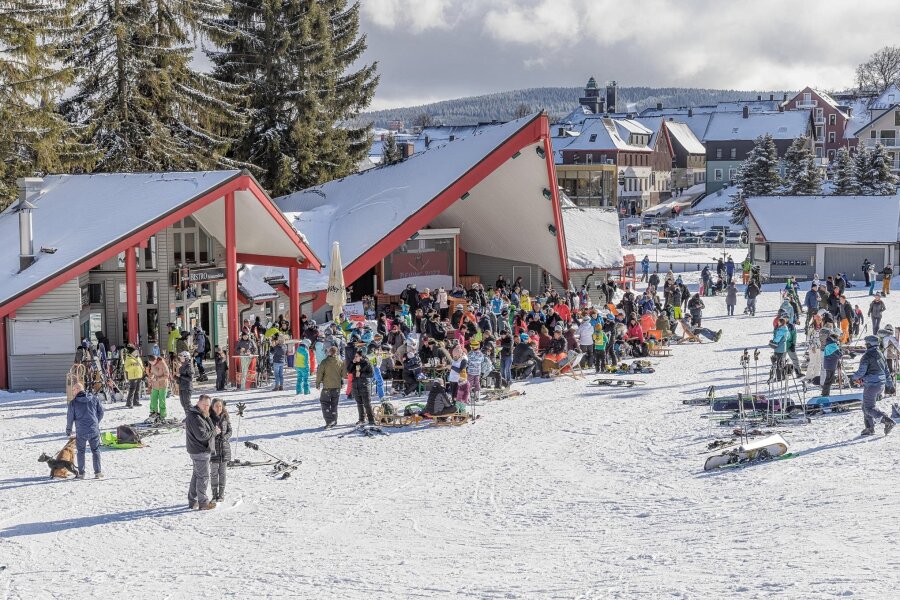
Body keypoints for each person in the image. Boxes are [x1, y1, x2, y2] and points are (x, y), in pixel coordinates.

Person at [851, 336, 896, 436]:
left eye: (866, 343)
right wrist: (890, 385)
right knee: (865, 406)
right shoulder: (880, 354)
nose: (865, 345)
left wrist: (853, 378)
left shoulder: (867, 356)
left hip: (871, 385)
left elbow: (861, 371)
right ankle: (869, 428)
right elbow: (886, 371)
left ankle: (887, 421)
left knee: (868, 408)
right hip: (880, 384)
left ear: (869, 344)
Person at [65, 383, 105, 479]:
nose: (73, 392)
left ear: (78, 389)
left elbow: (70, 418)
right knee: (95, 450)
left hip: (81, 432)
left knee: (81, 451)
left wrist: (68, 430)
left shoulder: (73, 403)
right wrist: (96, 422)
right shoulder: (94, 399)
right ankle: (98, 472)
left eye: (74, 389)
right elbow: (101, 412)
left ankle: (82, 473)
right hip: (93, 430)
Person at [186, 394, 217, 510]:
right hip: (200, 451)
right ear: (198, 402)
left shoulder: (201, 414)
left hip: (198, 450)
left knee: (197, 475)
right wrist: (214, 432)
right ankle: (203, 502)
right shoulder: (195, 417)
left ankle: (192, 500)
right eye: (204, 405)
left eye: (208, 405)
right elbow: (202, 435)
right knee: (203, 477)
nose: (206, 407)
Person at [209, 398, 232, 503]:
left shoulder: (225, 417)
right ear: (212, 407)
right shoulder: (208, 418)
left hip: (224, 448)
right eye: (216, 406)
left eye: (220, 406)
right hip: (213, 449)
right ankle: (214, 494)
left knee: (222, 473)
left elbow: (230, 430)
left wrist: (225, 437)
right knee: (214, 473)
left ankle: (221, 494)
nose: (218, 408)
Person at [316, 346, 343, 428]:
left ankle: (329, 421)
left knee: (325, 403)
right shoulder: (340, 362)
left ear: (329, 352)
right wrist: (341, 382)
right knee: (334, 404)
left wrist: (318, 383)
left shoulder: (324, 362)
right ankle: (334, 420)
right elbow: (342, 374)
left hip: (327, 386)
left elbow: (320, 373)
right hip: (337, 386)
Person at [349, 349, 375, 426]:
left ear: (361, 356)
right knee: (359, 404)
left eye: (356, 356)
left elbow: (371, 374)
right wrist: (351, 363)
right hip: (355, 385)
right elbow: (349, 370)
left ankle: (371, 419)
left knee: (367, 404)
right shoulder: (354, 363)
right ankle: (361, 419)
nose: (355, 357)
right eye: (354, 356)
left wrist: (361, 374)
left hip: (364, 385)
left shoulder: (366, 363)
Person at [148, 354, 170, 421]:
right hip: (155, 385)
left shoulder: (163, 364)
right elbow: (152, 372)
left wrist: (157, 379)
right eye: (150, 363)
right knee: (153, 399)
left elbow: (167, 376)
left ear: (156, 360)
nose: (152, 364)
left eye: (152, 362)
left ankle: (163, 415)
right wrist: (151, 376)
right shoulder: (152, 364)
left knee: (162, 400)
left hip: (162, 385)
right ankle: (153, 412)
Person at [123, 344, 144, 408]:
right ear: (132, 352)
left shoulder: (138, 358)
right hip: (133, 376)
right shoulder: (128, 359)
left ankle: (136, 402)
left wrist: (143, 370)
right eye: (135, 352)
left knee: (138, 389)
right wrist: (132, 365)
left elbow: (141, 366)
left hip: (139, 375)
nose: (136, 353)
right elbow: (126, 368)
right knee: (132, 390)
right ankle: (129, 403)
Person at [177, 351, 193, 416]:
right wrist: (176, 378)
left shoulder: (189, 366)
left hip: (187, 387)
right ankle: (188, 416)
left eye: (181, 357)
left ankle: (192, 416)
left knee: (187, 404)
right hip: (182, 386)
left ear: (186, 357)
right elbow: (181, 377)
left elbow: (190, 378)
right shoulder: (182, 366)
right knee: (183, 403)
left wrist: (180, 376)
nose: (180, 358)